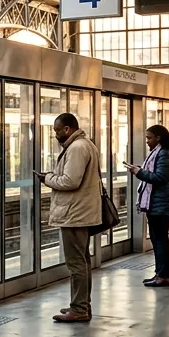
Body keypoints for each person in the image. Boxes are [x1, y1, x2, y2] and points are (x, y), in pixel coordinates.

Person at [37, 113, 101, 323]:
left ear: (67, 129)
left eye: (57, 130)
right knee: (82, 261)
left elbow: (70, 181)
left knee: (76, 264)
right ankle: (81, 305)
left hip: (74, 213)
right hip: (80, 211)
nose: (55, 135)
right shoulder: (84, 145)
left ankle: (80, 308)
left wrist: (47, 178)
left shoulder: (77, 148)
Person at [128, 125, 169, 288]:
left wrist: (139, 173)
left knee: (160, 240)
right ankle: (160, 273)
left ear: (158, 137)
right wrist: (141, 170)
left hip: (161, 203)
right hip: (158, 202)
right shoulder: (161, 152)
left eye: (149, 138)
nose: (147, 141)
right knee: (158, 239)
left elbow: (160, 177)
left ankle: (163, 276)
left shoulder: (164, 154)